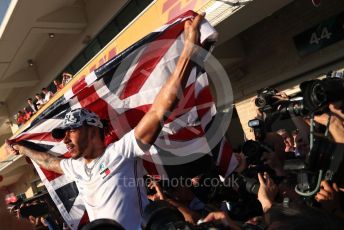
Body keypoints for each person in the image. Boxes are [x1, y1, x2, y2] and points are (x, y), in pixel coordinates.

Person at [6, 13, 205, 230]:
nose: (65, 140)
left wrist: (189, 48)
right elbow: (47, 160)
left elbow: (161, 109)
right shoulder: (76, 167)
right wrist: (21, 149)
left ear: (91, 129)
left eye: (69, 132)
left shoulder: (121, 151)